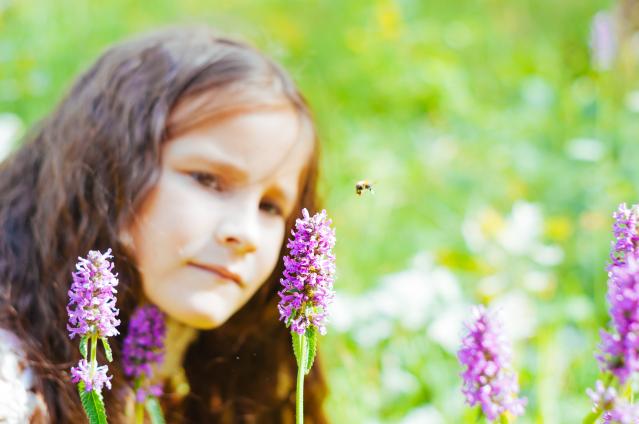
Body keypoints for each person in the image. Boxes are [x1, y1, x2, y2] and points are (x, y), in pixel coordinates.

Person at [0, 25, 327, 423]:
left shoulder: (205, 380)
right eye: (208, 180)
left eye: (271, 206)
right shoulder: (13, 386)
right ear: (113, 170)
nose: (244, 234)